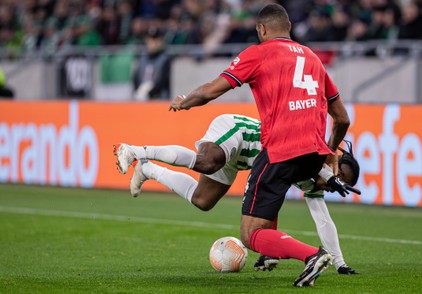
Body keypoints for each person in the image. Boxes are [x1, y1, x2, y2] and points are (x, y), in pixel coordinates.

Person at [167, 4, 351, 287]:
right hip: (313, 154)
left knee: (250, 233)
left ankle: (314, 256)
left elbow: (211, 90)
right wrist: (330, 154)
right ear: (288, 27)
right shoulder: (313, 58)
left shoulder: (258, 53)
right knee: (276, 198)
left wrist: (184, 102)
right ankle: (276, 256)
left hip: (281, 150)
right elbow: (342, 119)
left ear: (261, 29)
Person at [113, 114, 360, 275]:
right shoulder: (313, 155)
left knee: (203, 200)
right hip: (238, 132)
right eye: (338, 178)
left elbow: (322, 219)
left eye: (338, 185)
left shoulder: (313, 183)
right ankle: (134, 150)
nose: (332, 186)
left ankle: (148, 169)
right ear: (334, 164)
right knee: (207, 162)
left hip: (242, 161)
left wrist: (341, 264)